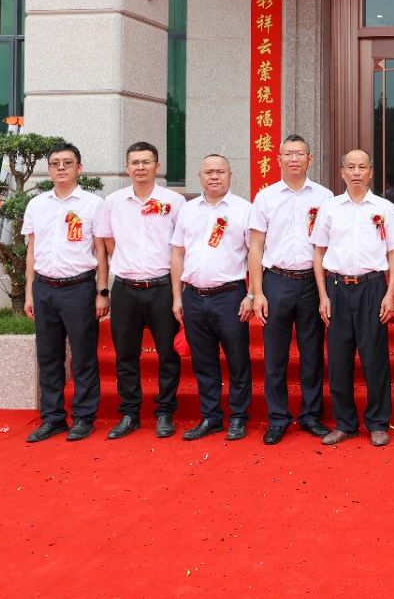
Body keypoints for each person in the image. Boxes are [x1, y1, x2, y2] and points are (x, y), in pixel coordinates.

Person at [311, 149, 394, 447]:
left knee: (375, 359)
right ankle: (345, 423)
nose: (356, 172)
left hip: (372, 287)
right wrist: (323, 295)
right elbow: (319, 253)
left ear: (371, 172)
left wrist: (390, 293)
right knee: (338, 360)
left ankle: (377, 422)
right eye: (350, 167)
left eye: (362, 167)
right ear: (342, 172)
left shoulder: (385, 208)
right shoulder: (330, 207)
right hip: (337, 288)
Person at [249, 134, 334, 446]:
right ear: (279, 160)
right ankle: (278, 418)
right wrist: (257, 292)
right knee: (275, 355)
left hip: (312, 281)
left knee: (312, 353)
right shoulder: (265, 198)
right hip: (277, 280)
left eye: (300, 154)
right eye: (288, 154)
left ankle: (311, 415)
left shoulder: (325, 197)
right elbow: (255, 247)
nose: (294, 159)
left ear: (310, 159)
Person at [97, 141, 186, 440]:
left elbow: (181, 246)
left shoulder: (174, 201)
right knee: (126, 354)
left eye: (146, 162)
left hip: (162, 287)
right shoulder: (113, 202)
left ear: (157, 166)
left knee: (168, 354)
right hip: (126, 288)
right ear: (127, 167)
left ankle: (165, 412)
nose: (140, 167)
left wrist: (178, 292)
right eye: (135, 162)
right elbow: (108, 242)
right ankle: (129, 413)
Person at [22, 142, 108, 442]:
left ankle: (84, 416)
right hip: (44, 288)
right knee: (48, 356)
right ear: (49, 169)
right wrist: (29, 292)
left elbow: (101, 251)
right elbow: (32, 249)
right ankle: (53, 417)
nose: (61, 168)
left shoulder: (93, 204)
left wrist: (102, 292)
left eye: (67, 163)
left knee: (83, 357)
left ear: (79, 168)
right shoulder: (36, 204)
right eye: (55, 163)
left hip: (79, 288)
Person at [170, 153, 253, 441]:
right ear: (200, 176)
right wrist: (177, 296)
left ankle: (239, 417)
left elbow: (255, 254)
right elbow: (177, 253)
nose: (214, 176)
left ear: (230, 175)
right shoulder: (188, 210)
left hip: (230, 296)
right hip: (194, 296)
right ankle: (211, 417)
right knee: (203, 362)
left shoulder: (244, 209)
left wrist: (252, 294)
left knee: (237, 360)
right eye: (209, 172)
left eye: (220, 171)